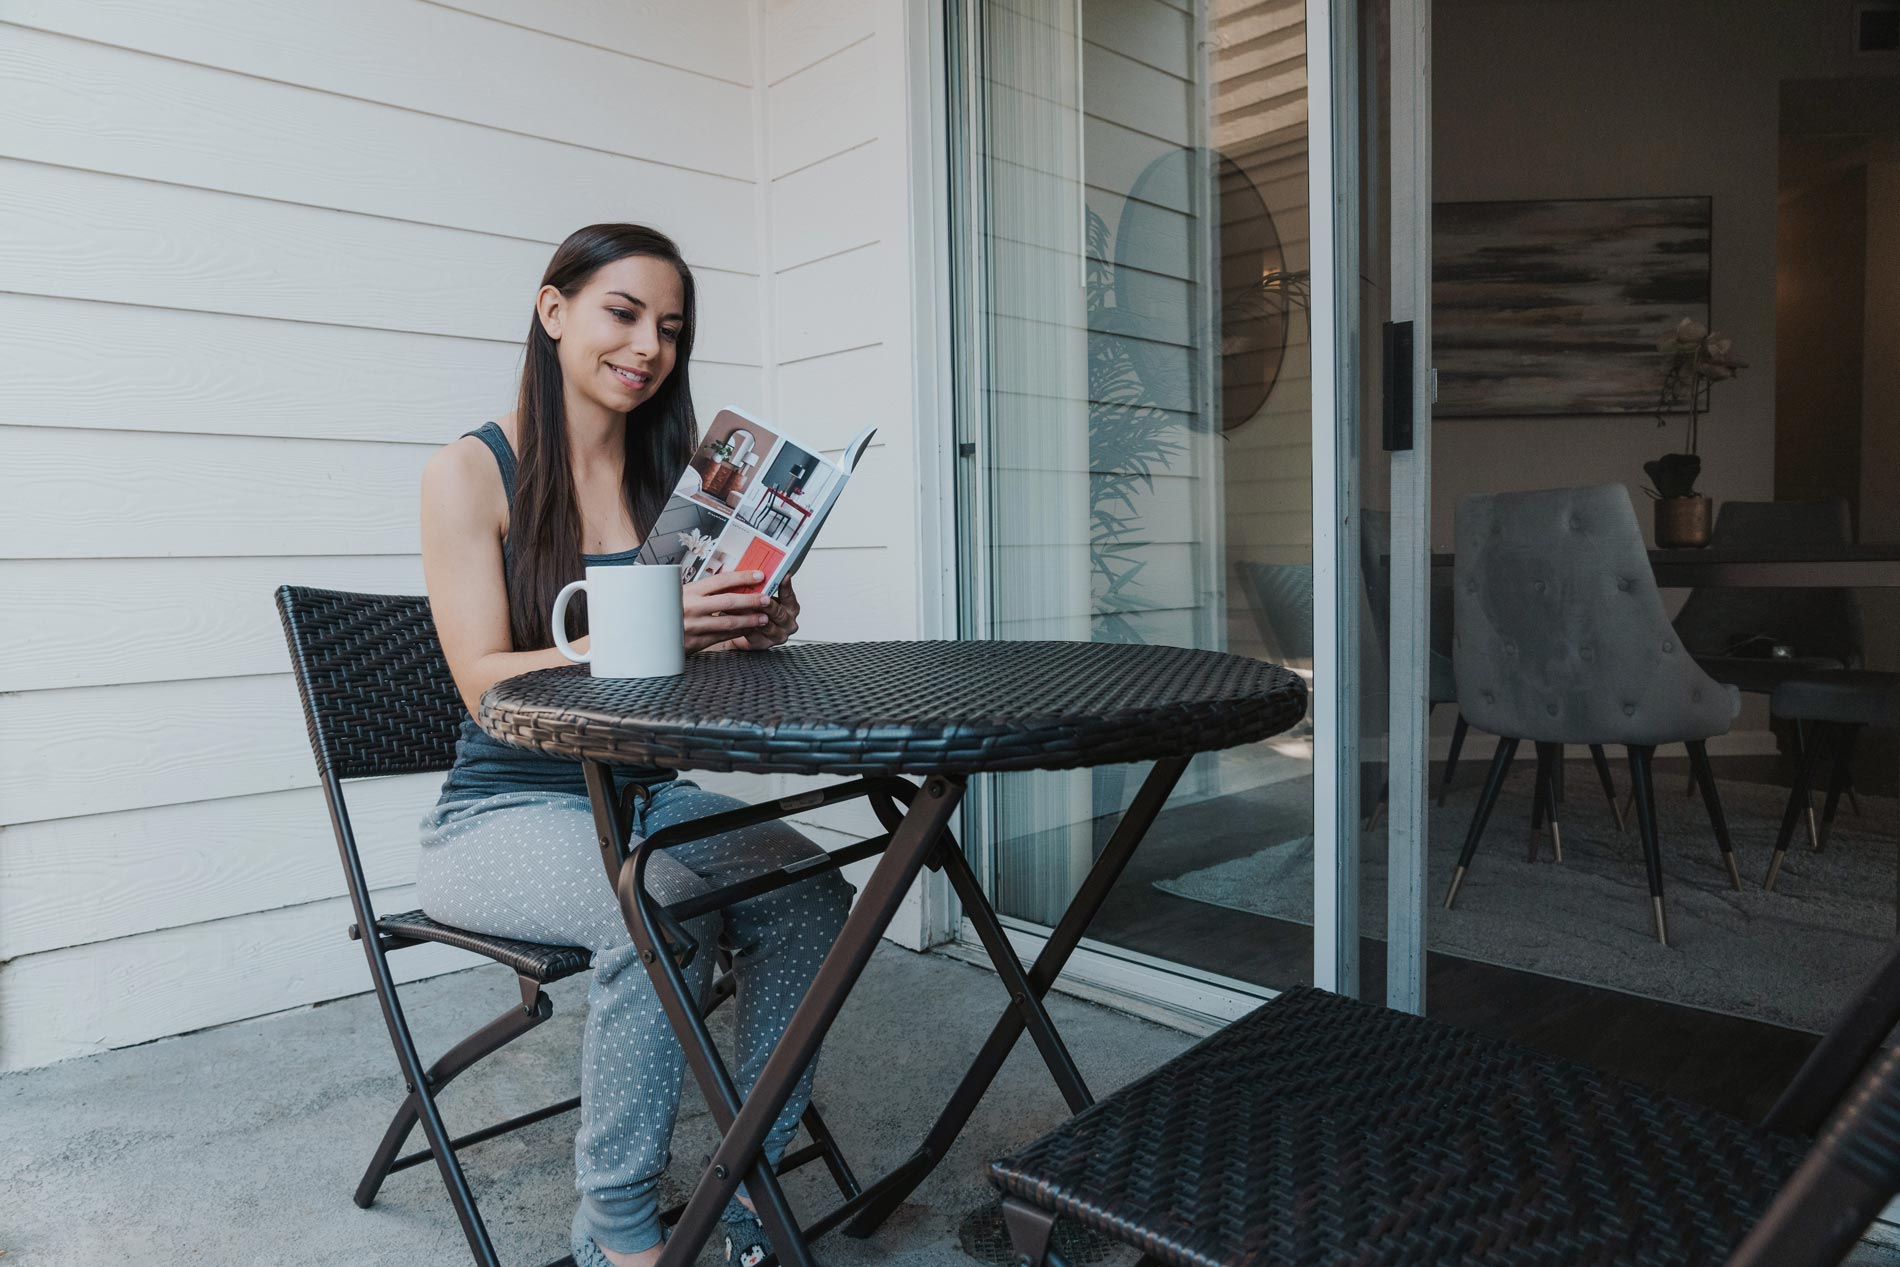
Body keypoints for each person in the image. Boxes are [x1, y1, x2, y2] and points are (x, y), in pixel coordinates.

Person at [416, 223, 853, 1267]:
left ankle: (742, 1193)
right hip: (505, 812)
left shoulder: (675, 480)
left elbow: (667, 683)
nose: (648, 345)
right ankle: (616, 1226)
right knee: (649, 912)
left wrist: (745, 624)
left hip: (645, 800)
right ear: (553, 309)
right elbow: (481, 681)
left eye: (670, 328)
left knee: (816, 902)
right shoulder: (472, 472)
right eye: (622, 313)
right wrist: (641, 621)